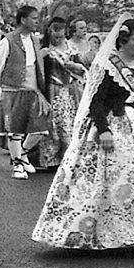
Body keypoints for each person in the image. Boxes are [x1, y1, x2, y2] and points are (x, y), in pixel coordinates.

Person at [32, 16, 134, 249]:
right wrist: (103, 130)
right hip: (111, 127)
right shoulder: (108, 65)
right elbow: (96, 102)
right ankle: (98, 232)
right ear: (123, 41)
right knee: (105, 181)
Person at [0, 5, 50, 180]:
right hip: (13, 91)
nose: (36, 22)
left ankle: (21, 154)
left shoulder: (35, 40)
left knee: (41, 128)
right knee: (15, 130)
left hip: (33, 90)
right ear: (23, 20)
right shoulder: (8, 41)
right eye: (33, 18)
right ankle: (17, 164)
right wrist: (7, 86)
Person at [37, 17, 86, 169]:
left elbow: (81, 67)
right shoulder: (44, 48)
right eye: (55, 36)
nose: (59, 39)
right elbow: (36, 69)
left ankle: (70, 156)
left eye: (61, 36)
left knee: (69, 122)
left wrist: (76, 66)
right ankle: (51, 158)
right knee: (54, 123)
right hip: (53, 88)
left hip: (70, 89)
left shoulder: (70, 48)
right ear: (50, 33)